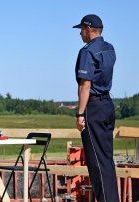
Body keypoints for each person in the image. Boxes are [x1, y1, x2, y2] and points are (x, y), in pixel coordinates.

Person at [73, 14, 119, 202]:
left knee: (96, 163)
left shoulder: (87, 51)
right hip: (108, 105)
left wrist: (80, 113)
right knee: (106, 160)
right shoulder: (109, 49)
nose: (80, 34)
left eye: (81, 30)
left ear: (88, 29)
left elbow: (85, 85)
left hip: (93, 108)